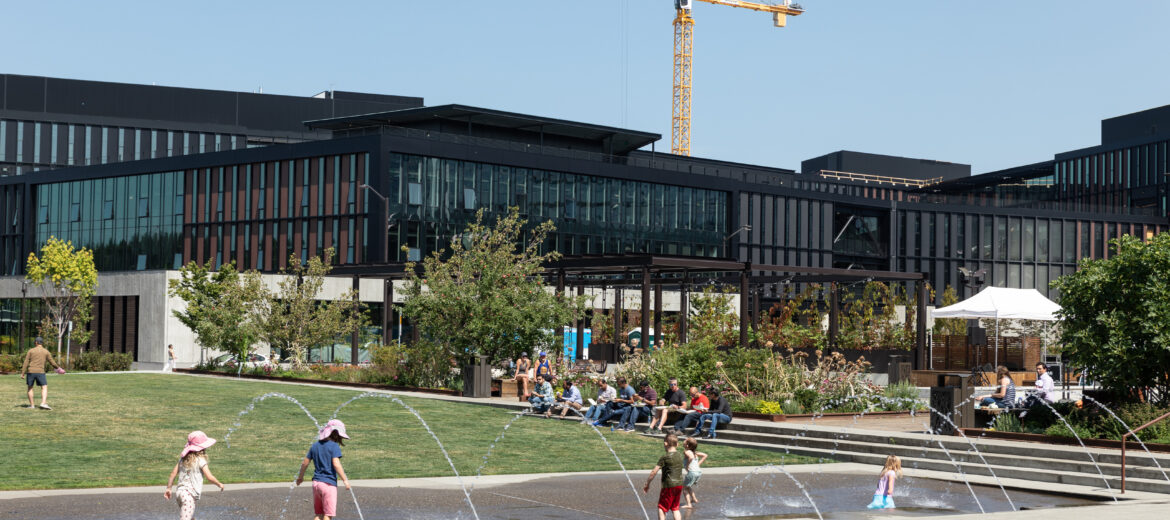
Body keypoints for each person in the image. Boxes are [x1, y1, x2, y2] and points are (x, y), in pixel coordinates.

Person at [296, 419, 352, 520]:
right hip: (328, 485)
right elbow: (336, 463)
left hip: (316, 484)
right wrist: (345, 480)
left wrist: (300, 477)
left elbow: (305, 462)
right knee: (328, 515)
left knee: (319, 514)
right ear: (336, 434)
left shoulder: (315, 445)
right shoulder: (334, 446)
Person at [164, 431, 224, 520]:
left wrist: (169, 488)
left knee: (188, 516)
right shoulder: (201, 460)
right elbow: (209, 477)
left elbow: (172, 474)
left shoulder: (183, 459)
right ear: (202, 448)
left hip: (179, 494)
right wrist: (219, 484)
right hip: (189, 496)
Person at [643, 432, 685, 520]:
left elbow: (653, 472)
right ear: (677, 444)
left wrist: (647, 484)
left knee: (662, 507)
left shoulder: (665, 457)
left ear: (665, 443)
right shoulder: (680, 455)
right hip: (679, 485)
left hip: (668, 486)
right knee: (675, 508)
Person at [20, 336, 62, 410]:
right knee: (44, 387)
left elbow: (26, 362)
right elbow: (52, 362)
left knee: (30, 388)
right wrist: (58, 368)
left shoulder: (31, 351)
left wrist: (23, 372)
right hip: (40, 372)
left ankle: (32, 405)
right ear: (41, 343)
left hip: (31, 371)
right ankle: (43, 403)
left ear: (36, 342)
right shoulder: (46, 351)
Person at [681, 436, 708, 509]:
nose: (684, 440)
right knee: (688, 486)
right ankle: (694, 499)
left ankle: (689, 504)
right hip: (698, 472)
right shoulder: (694, 452)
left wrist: (687, 465)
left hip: (692, 473)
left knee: (684, 488)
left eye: (685, 440)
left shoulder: (687, 451)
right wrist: (698, 464)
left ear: (687, 445)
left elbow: (691, 458)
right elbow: (705, 455)